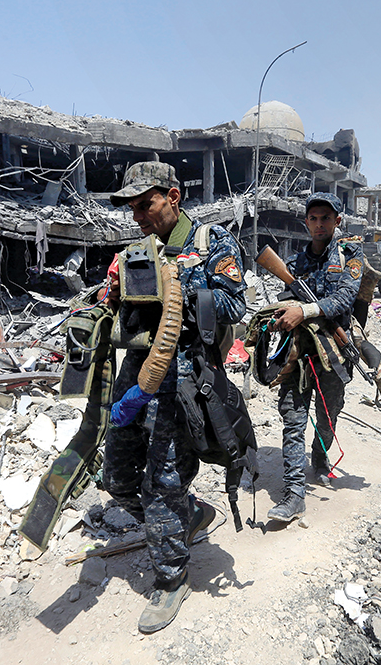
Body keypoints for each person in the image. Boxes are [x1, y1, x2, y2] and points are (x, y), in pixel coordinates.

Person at [103, 162, 247, 633]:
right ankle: (189, 515)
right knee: (117, 476)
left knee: (162, 483)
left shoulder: (212, 242)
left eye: (146, 204)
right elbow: (117, 305)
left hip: (183, 384)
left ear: (173, 196)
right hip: (135, 379)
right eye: (132, 207)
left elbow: (233, 304)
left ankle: (171, 576)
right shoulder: (136, 251)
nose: (138, 215)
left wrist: (180, 286)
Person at [266, 192, 362, 522]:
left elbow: (345, 299)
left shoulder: (351, 255)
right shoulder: (293, 264)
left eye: (326, 218)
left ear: (337, 221)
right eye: (313, 218)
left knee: (327, 415)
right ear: (306, 222)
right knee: (292, 418)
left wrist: (304, 309)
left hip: (334, 353)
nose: (319, 224)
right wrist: (280, 313)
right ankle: (294, 495)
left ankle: (320, 458)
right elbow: (282, 299)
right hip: (300, 351)